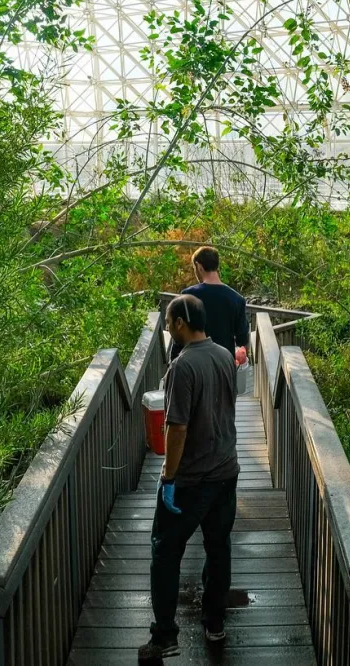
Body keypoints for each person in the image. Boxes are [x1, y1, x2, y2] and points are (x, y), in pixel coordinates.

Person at [139, 294, 240, 661]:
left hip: (192, 479)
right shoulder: (224, 355)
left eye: (168, 323)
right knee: (218, 549)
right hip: (227, 472)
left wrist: (168, 478)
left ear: (181, 322)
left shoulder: (184, 366)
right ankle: (215, 624)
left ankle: (165, 635)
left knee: (164, 553)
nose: (167, 329)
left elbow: (177, 428)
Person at [168, 246, 249, 365]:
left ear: (199, 266)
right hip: (224, 366)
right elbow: (243, 339)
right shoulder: (237, 299)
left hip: (193, 364)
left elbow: (179, 336)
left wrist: (173, 363)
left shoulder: (188, 296)